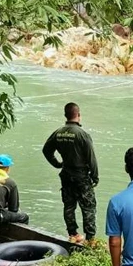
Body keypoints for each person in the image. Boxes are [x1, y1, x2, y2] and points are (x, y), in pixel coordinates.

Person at [42, 102, 99, 245]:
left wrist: (57, 163)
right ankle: (90, 239)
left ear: (65, 115)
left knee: (69, 205)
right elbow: (91, 158)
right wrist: (95, 176)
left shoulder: (58, 132)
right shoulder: (82, 134)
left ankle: (73, 234)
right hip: (81, 176)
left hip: (66, 174)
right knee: (88, 207)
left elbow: (46, 150)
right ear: (78, 115)